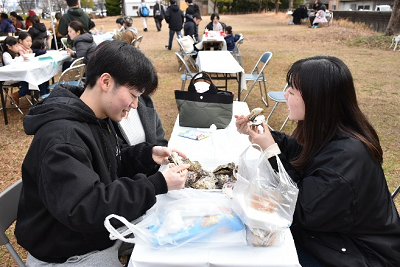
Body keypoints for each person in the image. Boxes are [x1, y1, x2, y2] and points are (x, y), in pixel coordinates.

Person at [15, 40, 190, 266]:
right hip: (68, 252)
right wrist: (155, 184)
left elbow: (111, 161)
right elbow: (86, 207)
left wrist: (148, 155)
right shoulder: (62, 139)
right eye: (133, 95)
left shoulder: (97, 118)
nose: (136, 105)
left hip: (96, 233)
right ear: (106, 81)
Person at [235, 56, 400, 267]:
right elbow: (301, 154)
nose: (285, 95)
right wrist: (268, 136)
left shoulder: (348, 157)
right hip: (330, 236)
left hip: (360, 255)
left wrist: (270, 149)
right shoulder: (329, 130)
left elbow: (300, 209)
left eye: (292, 92)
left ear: (317, 101)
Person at [2, 36, 49, 104]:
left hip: (19, 75)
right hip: (10, 77)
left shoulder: (16, 54)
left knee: (38, 78)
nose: (18, 47)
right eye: (16, 46)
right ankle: (18, 94)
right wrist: (21, 58)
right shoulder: (6, 54)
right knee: (32, 81)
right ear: (9, 47)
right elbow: (10, 63)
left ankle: (44, 94)